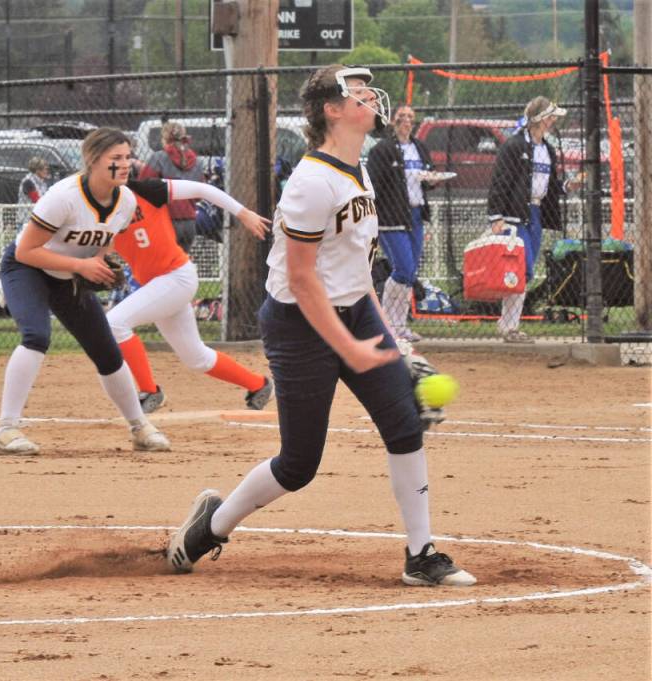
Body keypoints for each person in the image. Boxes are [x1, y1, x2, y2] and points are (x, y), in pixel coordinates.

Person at [166, 65, 475, 587]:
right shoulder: (311, 182)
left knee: (404, 425)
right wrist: (349, 349)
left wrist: (390, 342)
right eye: (358, 94)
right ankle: (210, 526)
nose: (370, 99)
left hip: (353, 310)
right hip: (298, 325)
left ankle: (421, 555)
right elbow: (303, 281)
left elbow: (358, 273)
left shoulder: (360, 170)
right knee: (299, 464)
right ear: (332, 110)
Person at [0, 127, 170, 456]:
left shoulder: (125, 200)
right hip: (27, 268)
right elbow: (25, 252)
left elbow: (103, 241)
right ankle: (6, 429)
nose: (125, 163)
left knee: (106, 350)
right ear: (92, 160)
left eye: (128, 156)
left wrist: (100, 264)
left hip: (70, 275)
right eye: (116, 158)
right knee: (36, 336)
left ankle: (139, 426)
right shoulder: (64, 196)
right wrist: (82, 267)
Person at [109, 170, 274, 413]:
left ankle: (150, 392)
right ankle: (258, 385)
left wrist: (243, 213)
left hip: (176, 278)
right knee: (197, 359)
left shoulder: (148, 191)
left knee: (114, 323)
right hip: (158, 287)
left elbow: (202, 189)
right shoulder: (99, 209)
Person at [487, 96, 576, 343]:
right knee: (521, 268)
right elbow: (500, 182)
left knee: (525, 273)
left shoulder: (546, 149)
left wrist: (568, 185)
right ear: (539, 119)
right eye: (550, 116)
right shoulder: (514, 146)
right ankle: (509, 326)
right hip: (514, 215)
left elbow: (549, 184)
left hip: (535, 214)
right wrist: (496, 216)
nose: (554, 121)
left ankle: (509, 326)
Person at [366, 103, 446, 343]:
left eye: (410, 117)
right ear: (392, 121)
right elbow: (374, 186)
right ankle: (388, 324)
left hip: (415, 214)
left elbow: (427, 176)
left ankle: (399, 327)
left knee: (410, 273)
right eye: (401, 117)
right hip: (391, 217)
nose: (406, 121)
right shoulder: (383, 150)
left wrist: (431, 181)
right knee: (403, 269)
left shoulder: (419, 147)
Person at [139, 121, 204, 253]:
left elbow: (144, 186)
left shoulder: (159, 158)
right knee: (181, 263)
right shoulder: (196, 161)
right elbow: (199, 195)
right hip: (189, 222)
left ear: (165, 139)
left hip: (166, 220)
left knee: (163, 262)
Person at [16, 156, 51, 228]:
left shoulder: (42, 182)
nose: (46, 171)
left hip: (39, 218)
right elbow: (37, 200)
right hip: (26, 220)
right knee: (21, 239)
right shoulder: (28, 182)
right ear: (37, 170)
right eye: (44, 169)